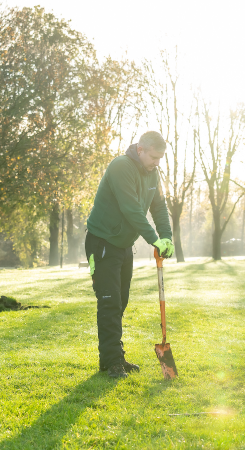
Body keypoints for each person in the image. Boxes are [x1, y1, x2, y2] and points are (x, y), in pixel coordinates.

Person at [85, 131, 175, 379]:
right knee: (110, 302)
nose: (157, 162)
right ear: (140, 150)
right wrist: (153, 239)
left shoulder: (153, 173)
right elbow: (131, 208)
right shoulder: (121, 166)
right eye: (153, 157)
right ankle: (113, 361)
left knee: (120, 301)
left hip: (124, 245)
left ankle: (112, 358)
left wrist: (166, 237)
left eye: (160, 158)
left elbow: (159, 206)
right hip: (102, 242)